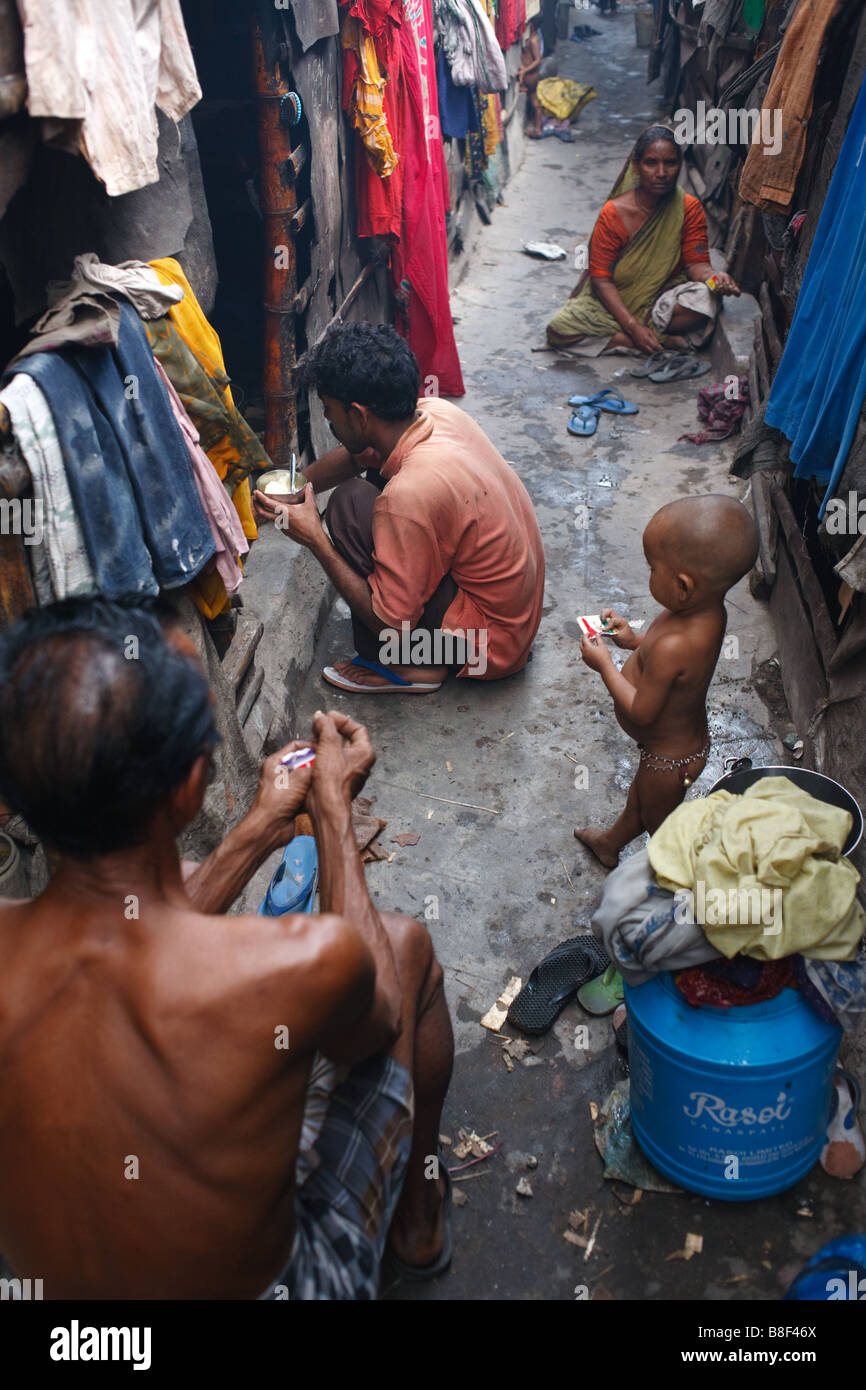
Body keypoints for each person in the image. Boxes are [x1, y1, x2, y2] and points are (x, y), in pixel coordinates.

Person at [0, 596, 454, 1299]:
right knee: (405, 944)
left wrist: (263, 824)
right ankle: (418, 1224)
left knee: (180, 889)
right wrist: (331, 807)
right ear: (188, 791)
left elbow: (130, 931)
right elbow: (379, 1012)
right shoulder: (296, 965)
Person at [254, 322, 545, 694]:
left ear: (359, 416)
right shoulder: (434, 412)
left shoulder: (408, 494)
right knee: (367, 486)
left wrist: (316, 540)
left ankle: (411, 665)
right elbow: (362, 453)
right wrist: (298, 488)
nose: (329, 421)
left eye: (330, 413)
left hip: (487, 652)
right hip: (516, 626)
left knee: (347, 505)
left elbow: (391, 628)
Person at [574, 495, 758, 869]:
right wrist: (631, 641)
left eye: (651, 567)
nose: (648, 575)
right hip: (677, 749)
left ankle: (681, 881)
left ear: (684, 585)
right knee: (639, 802)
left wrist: (605, 665)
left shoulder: (677, 643)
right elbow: (664, 656)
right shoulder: (702, 613)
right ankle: (610, 845)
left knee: (664, 831)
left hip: (669, 761)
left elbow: (642, 711)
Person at [546, 125, 741, 356]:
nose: (661, 172)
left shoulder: (688, 208)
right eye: (651, 163)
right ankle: (639, 340)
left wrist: (714, 279)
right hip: (612, 304)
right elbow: (601, 280)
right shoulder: (613, 213)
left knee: (706, 299)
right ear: (636, 167)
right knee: (559, 329)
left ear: (679, 166)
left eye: (670, 163)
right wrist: (632, 328)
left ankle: (639, 336)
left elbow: (696, 265)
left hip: (661, 301)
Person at [518, 14, 544, 138]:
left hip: (531, 75)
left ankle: (538, 128)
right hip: (529, 74)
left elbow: (538, 60)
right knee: (533, 100)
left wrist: (525, 71)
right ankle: (536, 127)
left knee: (534, 101)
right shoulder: (530, 38)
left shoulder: (534, 39)